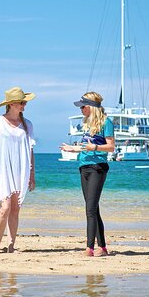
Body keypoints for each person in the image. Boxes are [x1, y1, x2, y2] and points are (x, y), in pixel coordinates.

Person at [60, 92, 115, 257]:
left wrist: (96, 148)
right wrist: (72, 149)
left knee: (90, 209)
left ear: (92, 107)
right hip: (84, 166)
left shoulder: (106, 122)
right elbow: (86, 147)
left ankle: (89, 248)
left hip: (98, 167)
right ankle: (103, 247)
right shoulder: (87, 125)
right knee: (94, 209)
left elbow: (111, 147)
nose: (81, 109)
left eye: (83, 106)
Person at [0, 86, 36, 253]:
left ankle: (11, 245)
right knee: (4, 208)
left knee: (15, 208)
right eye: (21, 102)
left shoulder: (27, 124)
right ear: (12, 104)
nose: (24, 106)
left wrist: (32, 174)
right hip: (3, 169)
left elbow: (30, 150)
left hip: (21, 169)